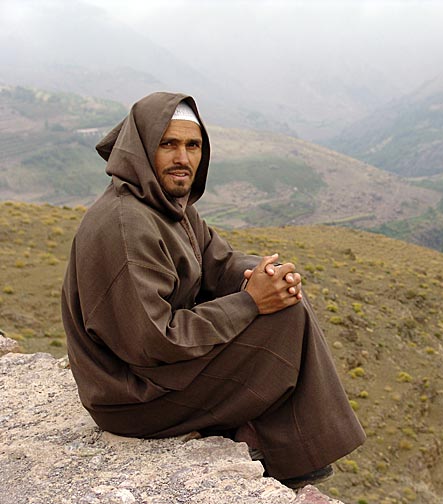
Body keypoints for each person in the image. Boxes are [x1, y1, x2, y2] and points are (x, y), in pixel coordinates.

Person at [61, 91, 365, 488]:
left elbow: (217, 261)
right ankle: (288, 457)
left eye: (193, 145)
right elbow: (154, 341)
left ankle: (276, 442)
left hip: (153, 376)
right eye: (167, 144)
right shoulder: (126, 224)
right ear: (141, 149)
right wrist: (249, 301)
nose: (182, 159)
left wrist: (262, 274)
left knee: (284, 302)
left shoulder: (169, 206)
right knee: (282, 319)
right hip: (131, 398)